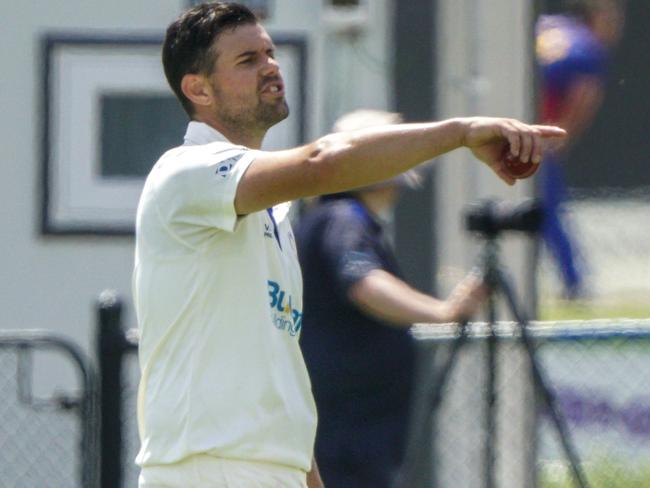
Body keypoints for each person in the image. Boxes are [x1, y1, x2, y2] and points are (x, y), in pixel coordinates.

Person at [132, 3, 566, 487]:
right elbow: (323, 161)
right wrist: (461, 133)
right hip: (206, 472)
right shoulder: (184, 172)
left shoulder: (275, 214)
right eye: (247, 59)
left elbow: (278, 378)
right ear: (198, 88)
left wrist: (307, 476)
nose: (271, 65)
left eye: (270, 52)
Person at [297, 109, 488, 488]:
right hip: (348, 433)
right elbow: (364, 283)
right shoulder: (342, 219)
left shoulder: (335, 218)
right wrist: (443, 311)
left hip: (356, 427)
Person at [536, 0, 624, 298]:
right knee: (549, 207)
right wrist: (560, 138)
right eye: (610, 17)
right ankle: (574, 284)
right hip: (536, 135)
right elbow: (582, 97)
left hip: (504, 125)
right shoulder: (588, 47)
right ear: (594, 17)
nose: (614, 26)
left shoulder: (547, 27)